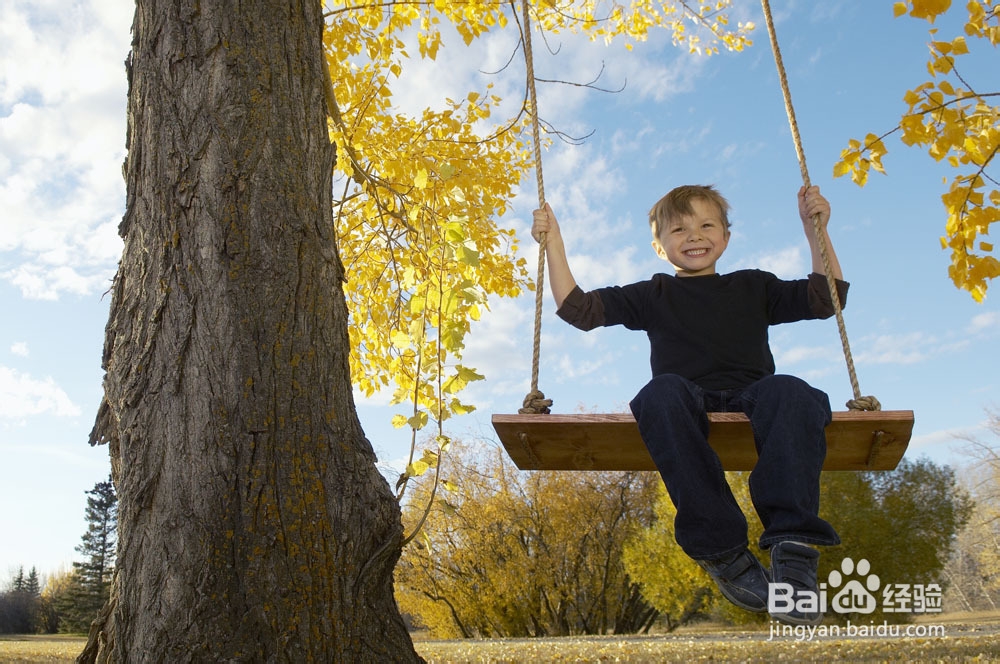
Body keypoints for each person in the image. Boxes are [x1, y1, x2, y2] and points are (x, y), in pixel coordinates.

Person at [531, 184, 848, 626]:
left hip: (753, 397)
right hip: (684, 402)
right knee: (659, 392)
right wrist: (555, 244)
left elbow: (823, 298)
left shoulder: (753, 285)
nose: (694, 235)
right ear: (660, 248)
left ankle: (793, 549)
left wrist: (815, 230)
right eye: (678, 229)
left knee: (792, 390)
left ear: (725, 236)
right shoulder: (653, 294)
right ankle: (722, 550)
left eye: (706, 225)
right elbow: (578, 309)